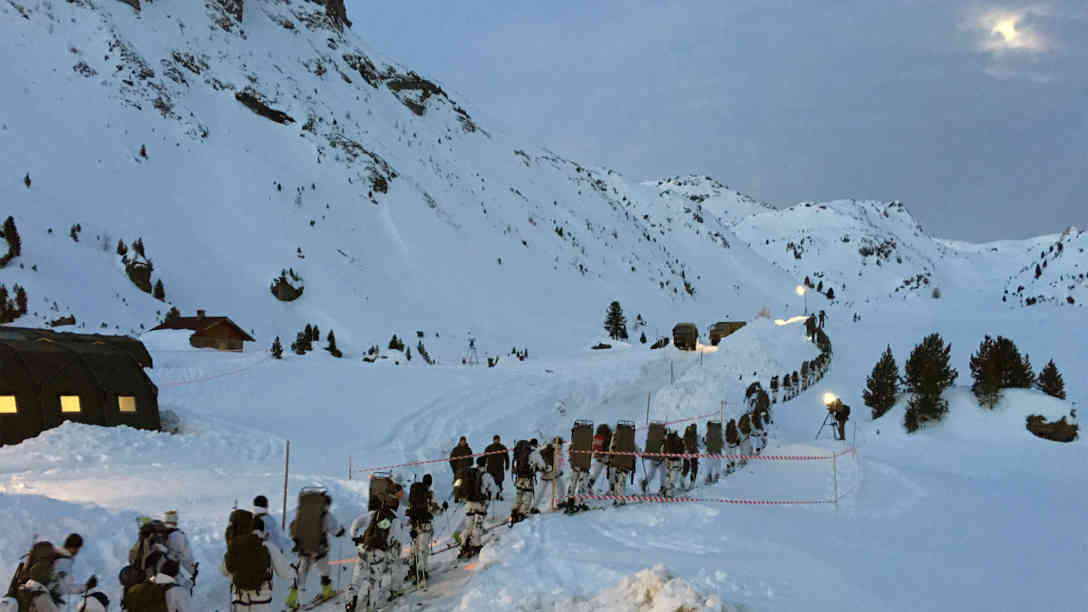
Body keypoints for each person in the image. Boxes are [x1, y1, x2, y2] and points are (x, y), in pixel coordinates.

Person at [347, 484, 408, 612]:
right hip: (378, 556)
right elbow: (396, 543)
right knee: (374, 583)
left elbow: (355, 523)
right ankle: (371, 608)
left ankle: (350, 604)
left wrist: (355, 536)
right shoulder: (395, 521)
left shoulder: (373, 514)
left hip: (363, 550)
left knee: (356, 580)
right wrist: (392, 558)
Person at [221, 510, 293, 612]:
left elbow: (224, 571)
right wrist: (294, 574)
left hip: (239, 598)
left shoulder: (234, 546)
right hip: (261, 598)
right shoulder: (266, 545)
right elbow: (284, 572)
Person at [286, 490, 345, 609]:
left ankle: (291, 598)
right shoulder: (325, 514)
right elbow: (335, 530)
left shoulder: (301, 512)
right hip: (319, 549)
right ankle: (326, 592)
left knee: (301, 572)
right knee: (325, 571)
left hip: (303, 547)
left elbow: (293, 527)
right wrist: (341, 532)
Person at [8, 534, 97, 612]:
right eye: (78, 549)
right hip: (41, 597)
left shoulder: (53, 554)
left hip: (27, 592)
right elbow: (62, 588)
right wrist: (85, 587)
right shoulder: (64, 561)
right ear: (75, 548)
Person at [405, 474, 446, 585]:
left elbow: (408, 509)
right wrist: (443, 509)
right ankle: (421, 572)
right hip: (425, 526)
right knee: (423, 549)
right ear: (430, 483)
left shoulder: (413, 493)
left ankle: (412, 569)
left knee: (414, 547)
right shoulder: (429, 495)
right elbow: (437, 511)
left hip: (414, 524)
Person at [457, 457, 496, 558]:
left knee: (468, 525)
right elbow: (494, 490)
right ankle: (476, 545)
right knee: (477, 525)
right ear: (485, 464)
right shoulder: (486, 475)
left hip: (469, 503)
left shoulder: (470, 473)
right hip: (480, 504)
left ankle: (464, 543)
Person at [510, 439, 547, 524]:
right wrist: (543, 468)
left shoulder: (520, 451)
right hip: (528, 478)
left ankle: (515, 510)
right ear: (536, 445)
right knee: (528, 495)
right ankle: (522, 513)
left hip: (519, 476)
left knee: (519, 494)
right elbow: (542, 466)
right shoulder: (534, 453)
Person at [162, 511, 198, 592]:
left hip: (166, 573)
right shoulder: (178, 535)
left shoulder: (163, 535)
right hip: (181, 574)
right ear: (175, 521)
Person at [535, 438, 567, 512]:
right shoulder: (554, 451)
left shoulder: (549, 449)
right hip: (551, 473)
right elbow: (557, 463)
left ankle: (534, 506)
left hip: (550, 473)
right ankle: (560, 502)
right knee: (560, 487)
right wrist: (558, 471)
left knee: (542, 490)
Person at [586, 423, 612, 493]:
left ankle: (588, 488)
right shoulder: (610, 436)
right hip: (607, 457)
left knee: (594, 474)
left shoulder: (597, 436)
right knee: (611, 474)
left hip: (599, 458)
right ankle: (612, 489)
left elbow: (593, 446)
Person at [483, 435, 510, 500]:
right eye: (495, 439)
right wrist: (483, 466)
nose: (496, 440)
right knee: (490, 481)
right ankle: (489, 494)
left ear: (499, 440)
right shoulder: (489, 448)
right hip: (490, 468)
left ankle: (499, 494)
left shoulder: (502, 447)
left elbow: (506, 457)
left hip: (499, 468)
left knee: (499, 481)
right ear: (493, 440)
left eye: (498, 439)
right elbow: (484, 457)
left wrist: (507, 465)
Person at [448, 437, 474, 501]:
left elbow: (471, 460)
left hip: (466, 470)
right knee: (457, 483)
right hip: (458, 470)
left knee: (466, 483)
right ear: (459, 441)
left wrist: (469, 466)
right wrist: (455, 469)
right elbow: (451, 460)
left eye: (464, 441)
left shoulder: (468, 449)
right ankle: (456, 496)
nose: (463, 442)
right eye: (462, 441)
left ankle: (465, 495)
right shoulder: (455, 450)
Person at [661, 431, 685, 497]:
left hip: (667, 460)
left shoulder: (666, 440)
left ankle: (665, 489)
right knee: (673, 478)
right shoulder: (679, 440)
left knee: (668, 476)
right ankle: (669, 493)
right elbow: (682, 451)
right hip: (676, 461)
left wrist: (664, 457)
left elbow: (663, 450)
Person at [680, 423, 699, 490]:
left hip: (691, 454)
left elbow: (695, 444)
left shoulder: (692, 434)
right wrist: (687, 451)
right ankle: (687, 483)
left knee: (689, 469)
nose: (694, 430)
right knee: (690, 469)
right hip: (689, 454)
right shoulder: (688, 435)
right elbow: (686, 444)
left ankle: (686, 482)